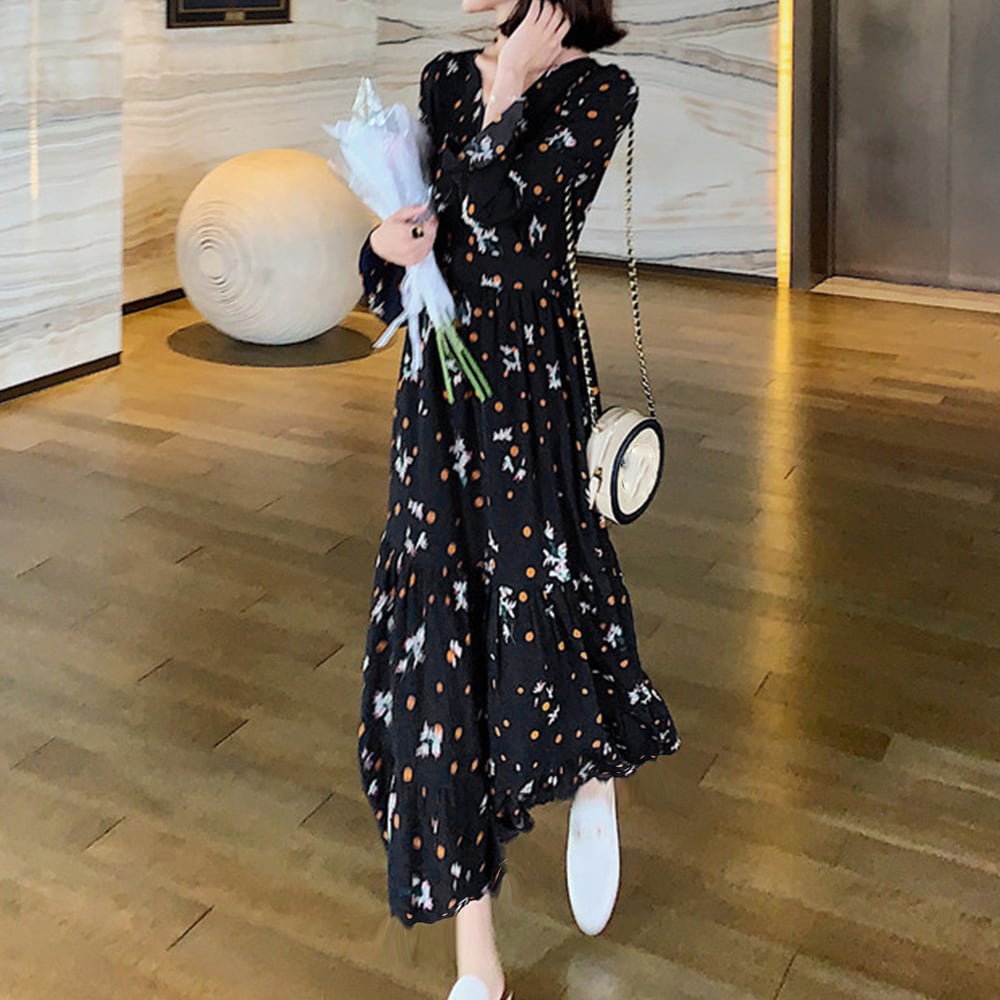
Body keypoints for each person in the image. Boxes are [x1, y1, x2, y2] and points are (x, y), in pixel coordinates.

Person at [356, 2, 680, 997]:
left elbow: (516, 247)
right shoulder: (446, 79)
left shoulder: (597, 92)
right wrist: (384, 246)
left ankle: (592, 771)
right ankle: (477, 964)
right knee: (436, 660)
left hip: (529, 406)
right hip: (436, 408)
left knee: (543, 600)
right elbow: (423, 254)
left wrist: (504, 100)